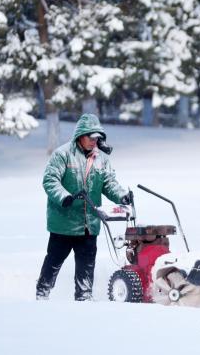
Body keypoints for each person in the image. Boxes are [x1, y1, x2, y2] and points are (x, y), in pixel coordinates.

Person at [36, 114, 131, 301]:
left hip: (89, 224)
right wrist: (64, 197)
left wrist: (122, 195)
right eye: (91, 137)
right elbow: (50, 180)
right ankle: (42, 293)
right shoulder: (63, 154)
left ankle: (84, 297)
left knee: (86, 266)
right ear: (80, 135)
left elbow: (109, 183)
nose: (94, 141)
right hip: (64, 223)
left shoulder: (101, 159)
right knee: (54, 262)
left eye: (97, 138)